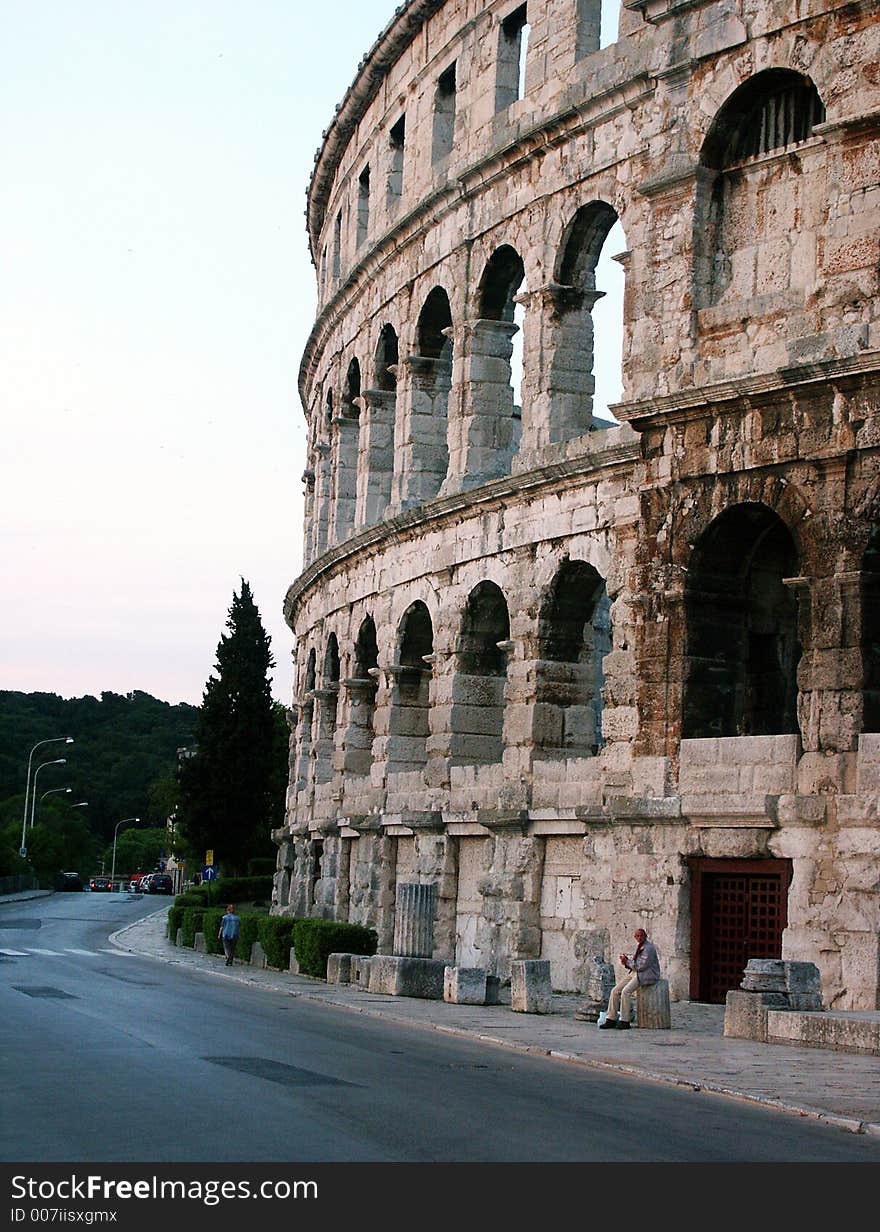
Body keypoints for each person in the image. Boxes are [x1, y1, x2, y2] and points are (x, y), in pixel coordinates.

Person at [599, 926, 661, 1029]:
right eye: (637, 936)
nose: (639, 938)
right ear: (635, 937)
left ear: (645, 936)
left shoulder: (649, 948)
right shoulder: (640, 947)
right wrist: (626, 961)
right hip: (635, 972)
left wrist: (627, 961)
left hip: (645, 974)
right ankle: (611, 1018)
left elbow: (641, 966)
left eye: (641, 936)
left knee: (626, 992)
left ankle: (625, 1020)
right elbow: (636, 964)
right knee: (615, 991)